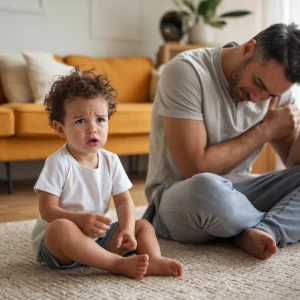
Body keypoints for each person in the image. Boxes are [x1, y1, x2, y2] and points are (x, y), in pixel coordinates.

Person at [143, 22, 300, 261]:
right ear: (249, 49)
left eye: (270, 95)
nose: (258, 98)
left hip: (241, 193)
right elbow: (195, 168)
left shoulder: (277, 90)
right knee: (208, 189)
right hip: (184, 196)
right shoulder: (186, 72)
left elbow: (293, 163)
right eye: (258, 84)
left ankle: (264, 229)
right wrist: (265, 130)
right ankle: (264, 222)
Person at [31, 68, 183, 279]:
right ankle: (116, 263)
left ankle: (153, 260)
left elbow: (123, 202)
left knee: (143, 225)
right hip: (62, 248)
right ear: (60, 129)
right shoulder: (58, 162)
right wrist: (79, 220)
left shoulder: (111, 160)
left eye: (100, 120)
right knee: (60, 228)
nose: (93, 129)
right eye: (80, 121)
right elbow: (47, 209)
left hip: (98, 239)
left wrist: (128, 230)